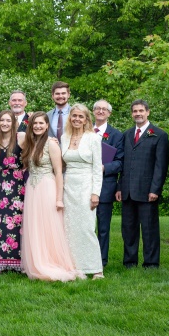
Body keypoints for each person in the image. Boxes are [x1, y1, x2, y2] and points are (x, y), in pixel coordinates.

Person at [20, 112, 82, 282]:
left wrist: (59, 198)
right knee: (35, 226)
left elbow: (59, 173)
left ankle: (50, 261)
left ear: (47, 126)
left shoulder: (51, 144)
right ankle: (36, 262)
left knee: (48, 225)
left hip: (47, 186)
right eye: (35, 124)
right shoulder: (29, 143)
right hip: (32, 188)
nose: (38, 126)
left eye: (41, 123)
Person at [115, 99, 169, 268]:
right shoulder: (127, 134)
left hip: (147, 191)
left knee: (149, 229)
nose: (137, 114)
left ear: (148, 112)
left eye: (141, 111)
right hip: (128, 190)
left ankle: (151, 262)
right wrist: (119, 187)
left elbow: (161, 166)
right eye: (135, 111)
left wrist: (155, 189)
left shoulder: (159, 135)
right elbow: (123, 164)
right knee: (128, 228)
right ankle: (129, 261)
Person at [61, 104, 104, 279]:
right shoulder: (64, 137)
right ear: (70, 118)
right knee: (69, 228)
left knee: (87, 227)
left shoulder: (93, 138)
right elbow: (62, 164)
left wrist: (96, 193)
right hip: (68, 185)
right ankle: (76, 267)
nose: (77, 119)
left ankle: (96, 269)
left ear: (87, 119)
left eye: (81, 116)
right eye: (74, 116)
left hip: (86, 186)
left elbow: (97, 168)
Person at [0, 110, 26, 274]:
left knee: (18, 222)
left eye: (8, 120)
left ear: (14, 123)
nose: (5, 123)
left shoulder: (21, 138)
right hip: (2, 185)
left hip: (19, 185)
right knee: (2, 222)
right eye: (2, 121)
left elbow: (30, 156)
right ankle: (2, 262)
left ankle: (19, 262)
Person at [92, 99, 124, 267]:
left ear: (109, 113)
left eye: (104, 109)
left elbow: (120, 162)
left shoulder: (117, 135)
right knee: (85, 225)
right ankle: (84, 258)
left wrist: (103, 168)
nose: (101, 111)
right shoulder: (84, 131)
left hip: (106, 185)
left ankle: (101, 260)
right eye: (98, 108)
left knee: (103, 227)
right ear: (93, 111)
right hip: (84, 184)